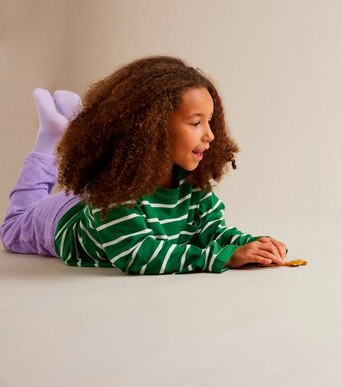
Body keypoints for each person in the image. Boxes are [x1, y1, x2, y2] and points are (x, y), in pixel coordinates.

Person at [0, 55, 287, 274]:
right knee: (12, 228)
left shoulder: (191, 182)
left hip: (101, 198)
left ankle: (72, 122)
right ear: (152, 128)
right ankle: (49, 136)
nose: (210, 135)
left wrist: (248, 245)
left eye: (210, 121)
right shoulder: (114, 196)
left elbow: (209, 230)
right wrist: (221, 258)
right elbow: (138, 254)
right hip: (63, 218)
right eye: (195, 123)